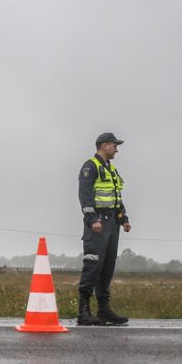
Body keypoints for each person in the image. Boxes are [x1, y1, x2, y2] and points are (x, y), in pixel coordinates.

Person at [76, 133, 131, 326]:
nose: (117, 149)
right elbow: (85, 195)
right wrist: (92, 219)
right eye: (114, 145)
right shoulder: (90, 166)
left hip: (112, 224)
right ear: (104, 145)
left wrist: (123, 218)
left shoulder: (111, 169)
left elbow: (116, 195)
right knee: (93, 265)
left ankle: (104, 310)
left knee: (107, 267)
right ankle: (83, 311)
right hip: (97, 224)